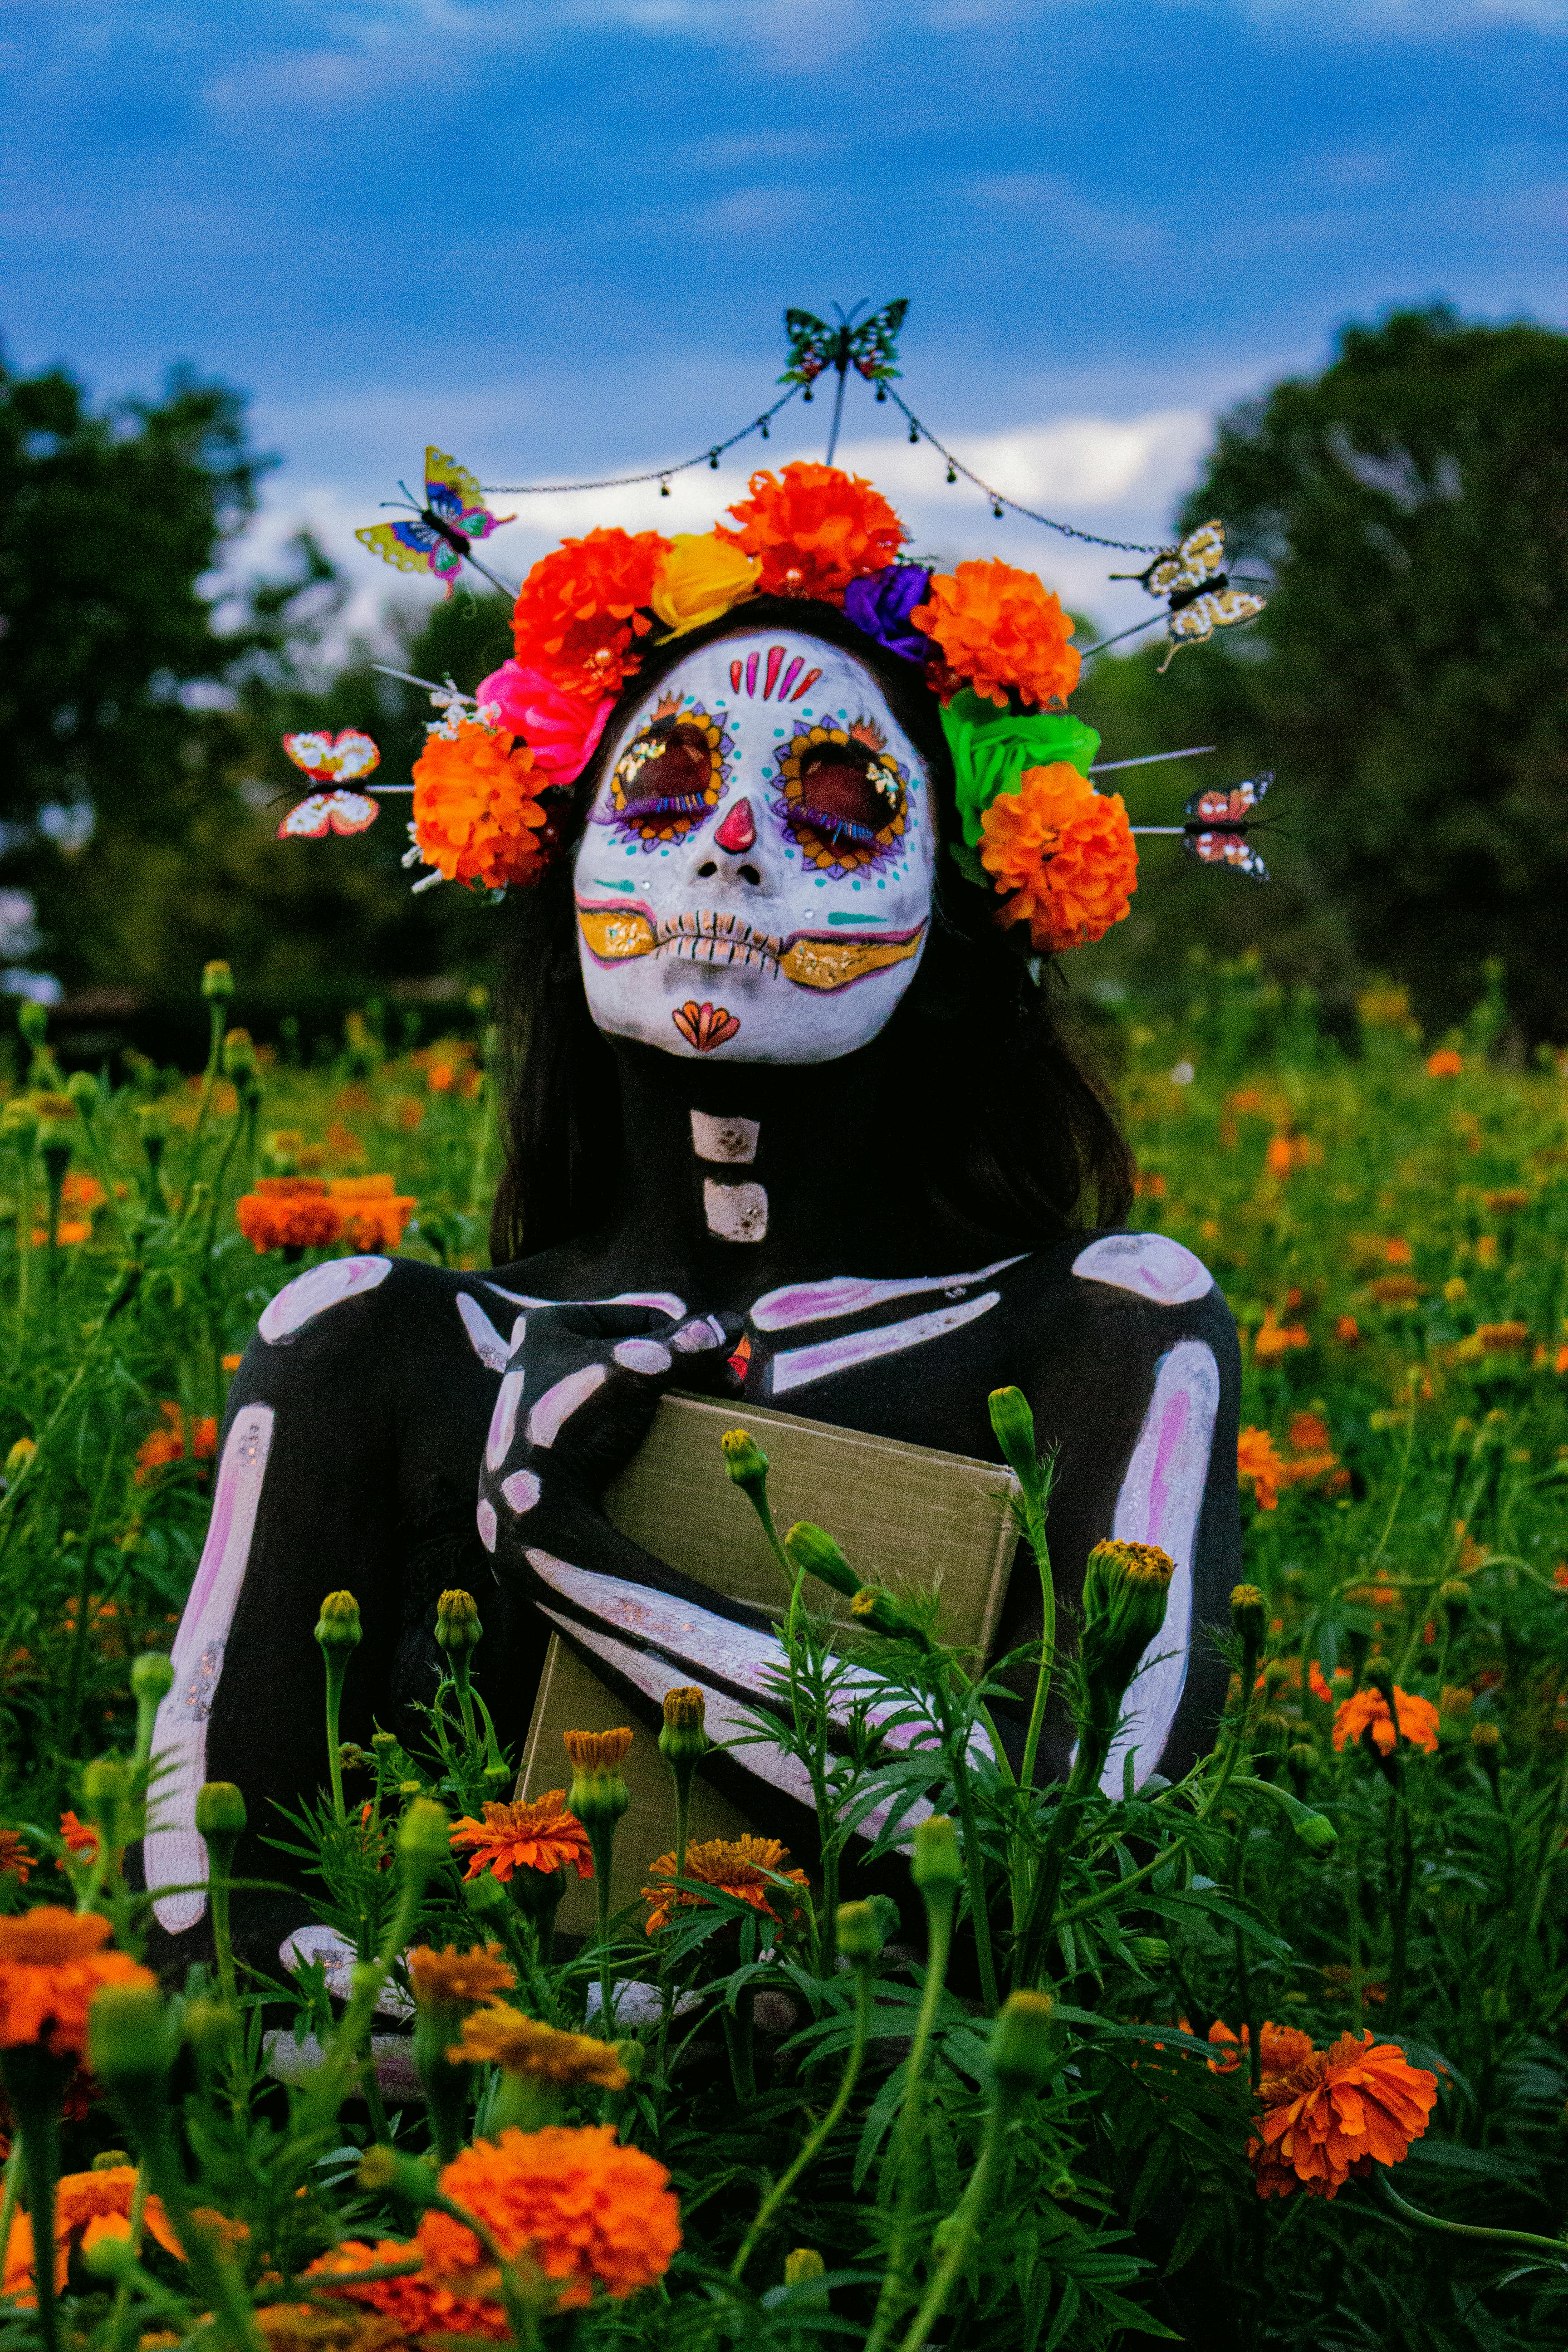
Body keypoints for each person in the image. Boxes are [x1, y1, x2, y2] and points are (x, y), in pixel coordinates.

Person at [142, 469, 1240, 1973]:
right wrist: (566, 2055)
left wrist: (572, 1553)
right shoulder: (367, 1345)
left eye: (840, 806)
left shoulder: (1107, 1332)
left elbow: (1092, 1870)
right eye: (663, 788)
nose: (730, 842)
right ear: (559, 848)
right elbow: (205, 1921)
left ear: (964, 901)